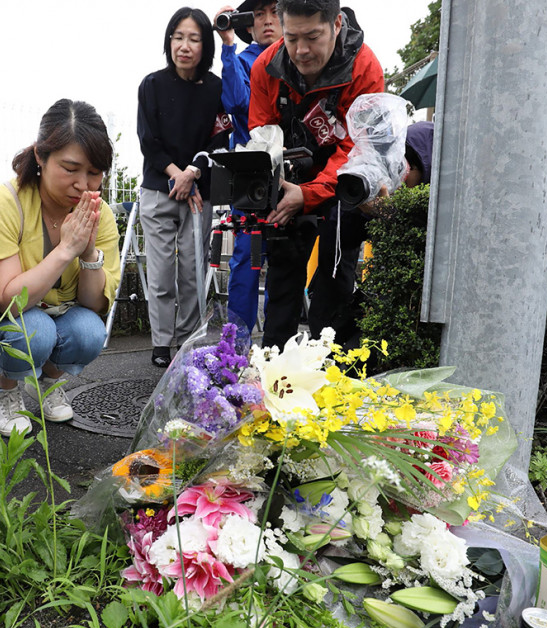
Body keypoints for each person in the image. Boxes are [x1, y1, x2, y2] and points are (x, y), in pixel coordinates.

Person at [0, 100, 121, 437]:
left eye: (94, 172)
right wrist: (65, 249)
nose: (83, 184)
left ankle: (48, 382)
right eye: (70, 168)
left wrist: (88, 249)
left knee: (91, 331)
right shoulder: (5, 202)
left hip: (54, 313)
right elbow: (10, 301)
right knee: (35, 329)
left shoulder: (99, 213)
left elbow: (93, 306)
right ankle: (7, 390)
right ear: (40, 156)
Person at [248, 0, 384, 350]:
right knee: (281, 275)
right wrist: (276, 187)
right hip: (290, 175)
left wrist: (309, 194)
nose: (301, 51)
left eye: (313, 36)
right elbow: (262, 133)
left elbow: (359, 148)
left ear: (336, 24)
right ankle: (272, 370)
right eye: (292, 38)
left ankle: (335, 375)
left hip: (345, 182)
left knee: (334, 279)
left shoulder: (364, 68)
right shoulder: (267, 66)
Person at [138, 6, 232, 368]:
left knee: (193, 271)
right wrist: (177, 174)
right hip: (159, 190)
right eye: (178, 37)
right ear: (169, 41)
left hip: (198, 192)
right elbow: (149, 140)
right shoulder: (152, 85)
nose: (185, 45)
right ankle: (161, 343)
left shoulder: (215, 88)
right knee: (161, 274)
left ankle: (189, 340)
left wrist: (192, 171)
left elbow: (222, 136)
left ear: (204, 44)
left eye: (193, 38)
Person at [216, 0, 282, 334]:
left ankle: (278, 348)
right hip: (249, 177)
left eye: (275, 12)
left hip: (289, 178)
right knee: (245, 259)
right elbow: (237, 103)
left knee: (285, 262)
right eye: (259, 14)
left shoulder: (301, 61)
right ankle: (236, 350)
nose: (268, 21)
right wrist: (228, 44)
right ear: (249, 23)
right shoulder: (240, 60)